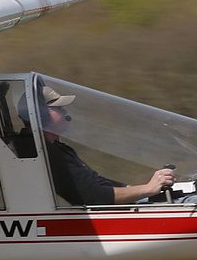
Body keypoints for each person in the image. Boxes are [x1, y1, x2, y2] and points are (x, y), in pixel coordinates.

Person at [31, 85, 174, 206]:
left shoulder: (59, 149)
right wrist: (148, 189)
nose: (65, 113)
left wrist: (135, 189)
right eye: (59, 108)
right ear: (41, 114)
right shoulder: (44, 154)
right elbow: (94, 196)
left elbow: (95, 182)